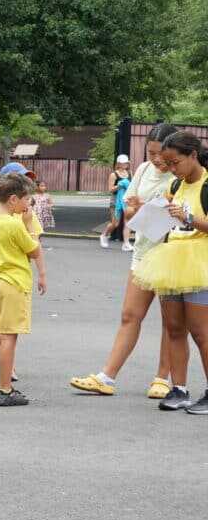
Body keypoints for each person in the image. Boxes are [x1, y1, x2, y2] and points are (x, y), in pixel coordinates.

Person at [69, 123, 179, 397]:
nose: (155, 159)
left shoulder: (182, 173)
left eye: (160, 154)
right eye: (150, 152)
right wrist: (138, 209)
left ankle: (162, 378)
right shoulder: (142, 170)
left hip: (173, 254)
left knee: (171, 321)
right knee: (130, 315)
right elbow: (129, 211)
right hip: (143, 251)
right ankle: (107, 377)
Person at [132, 131, 208, 413]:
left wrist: (188, 217)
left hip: (200, 262)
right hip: (171, 260)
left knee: (201, 332)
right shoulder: (176, 184)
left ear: (192, 155)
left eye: (175, 162)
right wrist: (146, 211)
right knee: (174, 329)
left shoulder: (206, 184)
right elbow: (164, 217)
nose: (171, 168)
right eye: (168, 163)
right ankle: (179, 389)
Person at [0, 173, 47, 407]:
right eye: (27, 199)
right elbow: (34, 250)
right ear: (14, 199)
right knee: (9, 338)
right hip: (14, 284)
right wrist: (28, 225)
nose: (29, 204)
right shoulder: (15, 224)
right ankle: (6, 389)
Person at [100, 155, 131, 249]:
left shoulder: (129, 173)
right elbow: (110, 189)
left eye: (125, 163)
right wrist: (120, 185)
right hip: (115, 201)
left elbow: (132, 186)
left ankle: (126, 243)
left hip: (127, 200)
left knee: (128, 222)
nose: (124, 164)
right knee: (115, 223)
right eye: (122, 163)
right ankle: (104, 235)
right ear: (118, 164)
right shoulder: (114, 174)